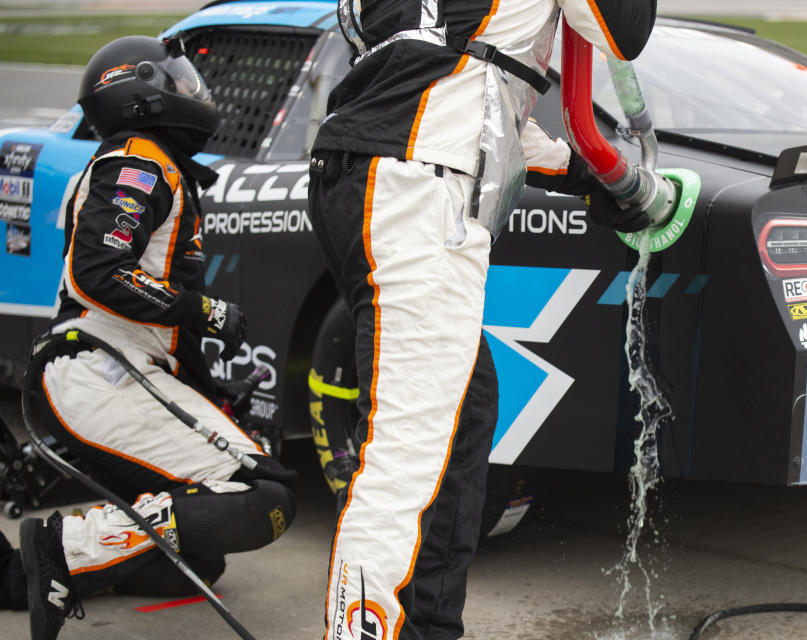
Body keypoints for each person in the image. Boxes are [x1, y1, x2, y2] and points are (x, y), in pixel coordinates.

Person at [308, 1, 658, 638]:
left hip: (370, 164)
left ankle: (427, 627)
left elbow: (467, 85)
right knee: (407, 455)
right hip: (416, 181)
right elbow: (620, 32)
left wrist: (591, 178)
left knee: (464, 413)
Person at [7, 35, 297, 640]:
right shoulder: (139, 160)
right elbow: (99, 273)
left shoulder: (150, 161)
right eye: (178, 78)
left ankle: (36, 571)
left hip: (111, 367)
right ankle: (60, 548)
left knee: (196, 559)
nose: (192, 88)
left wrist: (215, 389)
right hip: (95, 367)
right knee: (262, 498)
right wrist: (206, 310)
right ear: (137, 94)